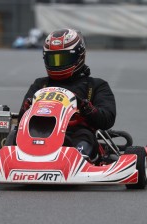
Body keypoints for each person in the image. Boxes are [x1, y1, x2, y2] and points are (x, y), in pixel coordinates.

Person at [17, 28, 116, 162]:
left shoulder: (95, 85)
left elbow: (107, 119)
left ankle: (77, 161)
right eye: (53, 59)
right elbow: (21, 120)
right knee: (14, 134)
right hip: (38, 133)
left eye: (63, 59)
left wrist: (89, 110)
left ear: (79, 56)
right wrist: (25, 108)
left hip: (75, 134)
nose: (57, 65)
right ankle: (5, 158)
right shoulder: (40, 85)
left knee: (85, 137)